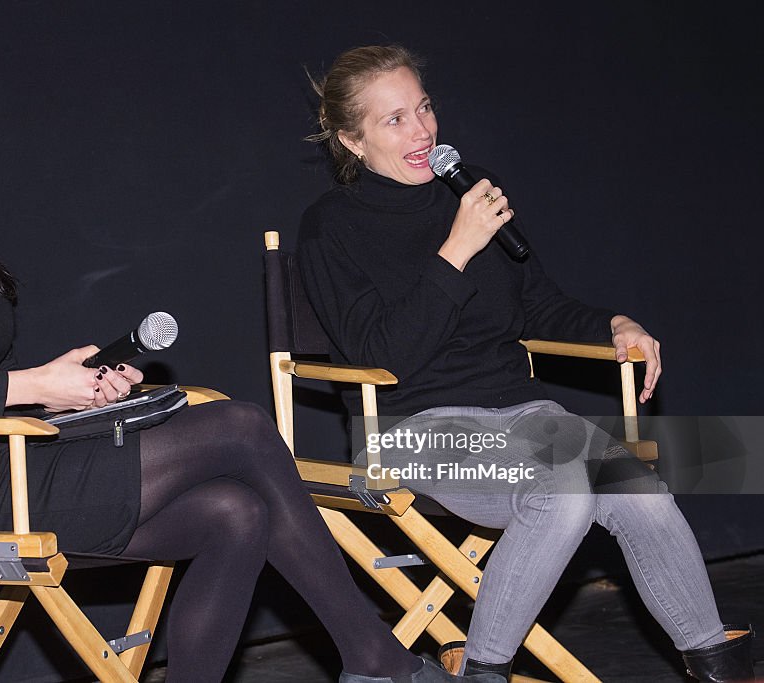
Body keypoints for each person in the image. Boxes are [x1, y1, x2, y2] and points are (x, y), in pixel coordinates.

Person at [0, 26, 503, 683]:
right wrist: (29, 384)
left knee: (235, 512)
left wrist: (61, 387)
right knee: (242, 425)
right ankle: (375, 655)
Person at [298, 45, 755, 682]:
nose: (424, 130)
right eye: (394, 119)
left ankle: (719, 664)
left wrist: (613, 323)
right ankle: (484, 670)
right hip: (411, 428)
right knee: (565, 488)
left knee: (636, 489)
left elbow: (538, 305)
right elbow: (384, 357)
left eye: (424, 107)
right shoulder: (332, 228)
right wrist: (456, 248)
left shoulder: (471, 192)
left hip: (521, 414)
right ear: (351, 140)